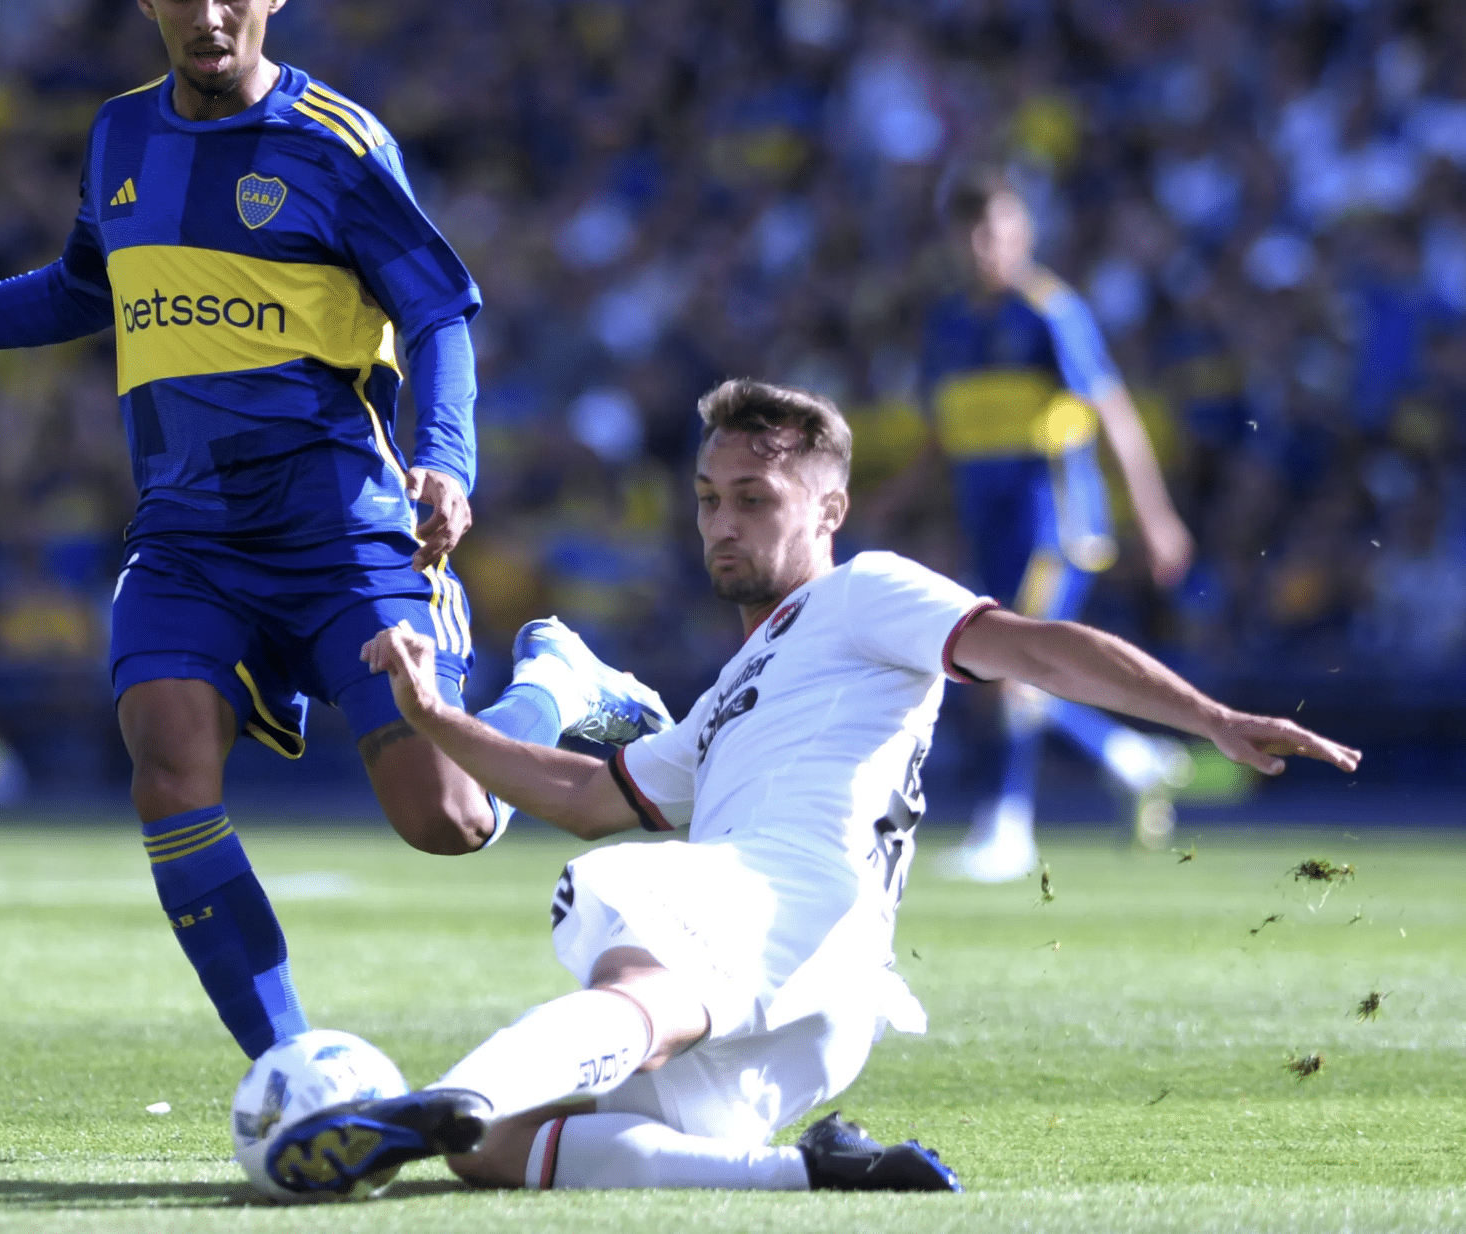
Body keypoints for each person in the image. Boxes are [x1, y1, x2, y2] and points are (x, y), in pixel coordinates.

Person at [0, 0, 666, 1063]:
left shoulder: (339, 146)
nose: (207, 16)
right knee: (166, 764)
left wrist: (445, 460)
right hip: (188, 536)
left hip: (341, 530)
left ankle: (552, 686)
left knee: (450, 820)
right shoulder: (119, 134)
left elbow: (437, 313)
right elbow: (80, 289)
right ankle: (296, 1074)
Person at [259, 379, 1358, 1198]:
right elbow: (591, 795)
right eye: (707, 499)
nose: (721, 523)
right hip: (831, 991)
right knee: (497, 1152)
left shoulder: (864, 592)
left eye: (753, 497)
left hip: (782, 893)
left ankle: (426, 1103)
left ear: (829, 510)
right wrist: (436, 721)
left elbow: (1035, 648)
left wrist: (1208, 718)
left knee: (627, 975)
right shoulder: (735, 690)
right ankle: (809, 1174)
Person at [912, 169, 1199, 880]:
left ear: (1025, 233)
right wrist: (896, 503)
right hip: (989, 527)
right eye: (973, 232)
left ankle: (1008, 829)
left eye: (997, 230)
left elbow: (1114, 412)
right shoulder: (947, 324)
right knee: (995, 670)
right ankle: (1132, 759)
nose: (984, 245)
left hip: (1054, 526)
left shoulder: (1049, 312)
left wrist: (1155, 516)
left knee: (1012, 667)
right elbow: (946, 436)